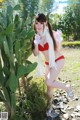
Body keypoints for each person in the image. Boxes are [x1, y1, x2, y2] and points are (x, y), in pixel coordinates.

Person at [32, 13, 73, 99]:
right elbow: (35, 53)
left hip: (58, 60)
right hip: (48, 63)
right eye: (36, 23)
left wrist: (59, 39)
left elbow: (58, 49)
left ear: (45, 23)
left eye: (41, 23)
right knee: (49, 87)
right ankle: (49, 108)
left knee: (49, 81)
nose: (39, 25)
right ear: (34, 24)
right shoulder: (35, 37)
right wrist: (36, 43)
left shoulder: (51, 33)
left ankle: (67, 87)